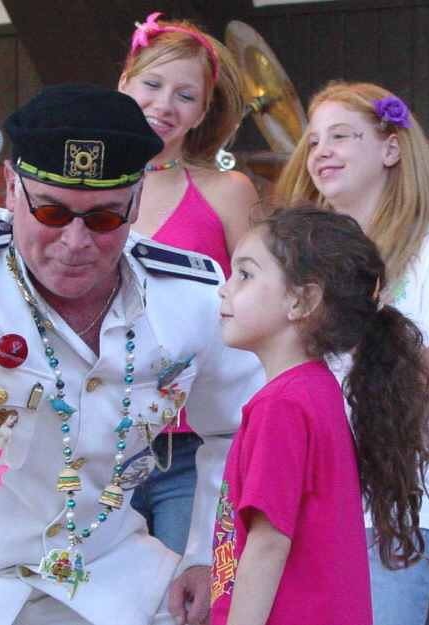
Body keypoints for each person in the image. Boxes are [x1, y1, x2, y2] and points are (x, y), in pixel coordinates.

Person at [0, 84, 264, 625]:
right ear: (13, 190)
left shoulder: (188, 291)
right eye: (52, 212)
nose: (76, 242)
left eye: (105, 218)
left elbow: (239, 426)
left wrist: (209, 555)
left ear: (135, 200)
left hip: (95, 576)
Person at [212, 206, 429, 625]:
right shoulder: (313, 392)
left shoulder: (283, 405)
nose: (225, 289)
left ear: (302, 300)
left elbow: (268, 543)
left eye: (245, 273)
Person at [276, 81, 429, 625]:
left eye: (341, 136)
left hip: (396, 506)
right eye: (314, 140)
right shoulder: (299, 266)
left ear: (391, 148)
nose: (321, 151)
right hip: (306, 501)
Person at [118, 13, 259, 555]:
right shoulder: (88, 189)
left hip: (198, 441)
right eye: (152, 84)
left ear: (203, 111)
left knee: (193, 598)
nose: (164, 104)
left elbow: (259, 304)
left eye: (185, 94)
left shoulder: (227, 190)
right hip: (99, 441)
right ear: (125, 83)